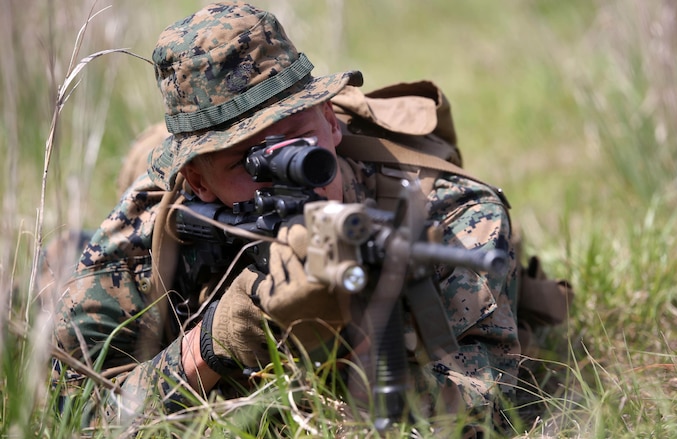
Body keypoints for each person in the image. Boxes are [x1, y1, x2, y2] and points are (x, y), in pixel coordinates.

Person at [52, 2, 524, 435]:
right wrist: (217, 339)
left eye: (299, 141)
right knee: (55, 264)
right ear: (198, 181)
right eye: (246, 162)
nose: (291, 176)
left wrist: (351, 337)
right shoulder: (153, 217)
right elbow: (76, 417)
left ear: (330, 119)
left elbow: (482, 416)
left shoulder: (449, 217)